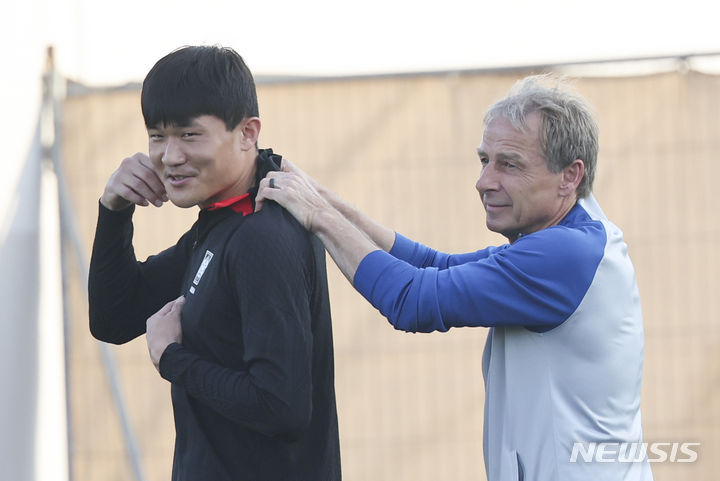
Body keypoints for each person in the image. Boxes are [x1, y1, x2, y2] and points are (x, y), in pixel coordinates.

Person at [256, 75, 653, 480]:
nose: (484, 182)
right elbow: (436, 266)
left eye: (510, 165)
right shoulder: (566, 240)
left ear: (571, 175)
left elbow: (413, 300)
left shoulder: (563, 254)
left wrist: (317, 216)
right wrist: (322, 198)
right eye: (485, 160)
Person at [88, 45, 341, 480]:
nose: (169, 156)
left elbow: (281, 408)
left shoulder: (263, 235)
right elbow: (113, 317)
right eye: (157, 136)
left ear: (247, 133)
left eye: (189, 135)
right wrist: (114, 209)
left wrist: (172, 357)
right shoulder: (222, 221)